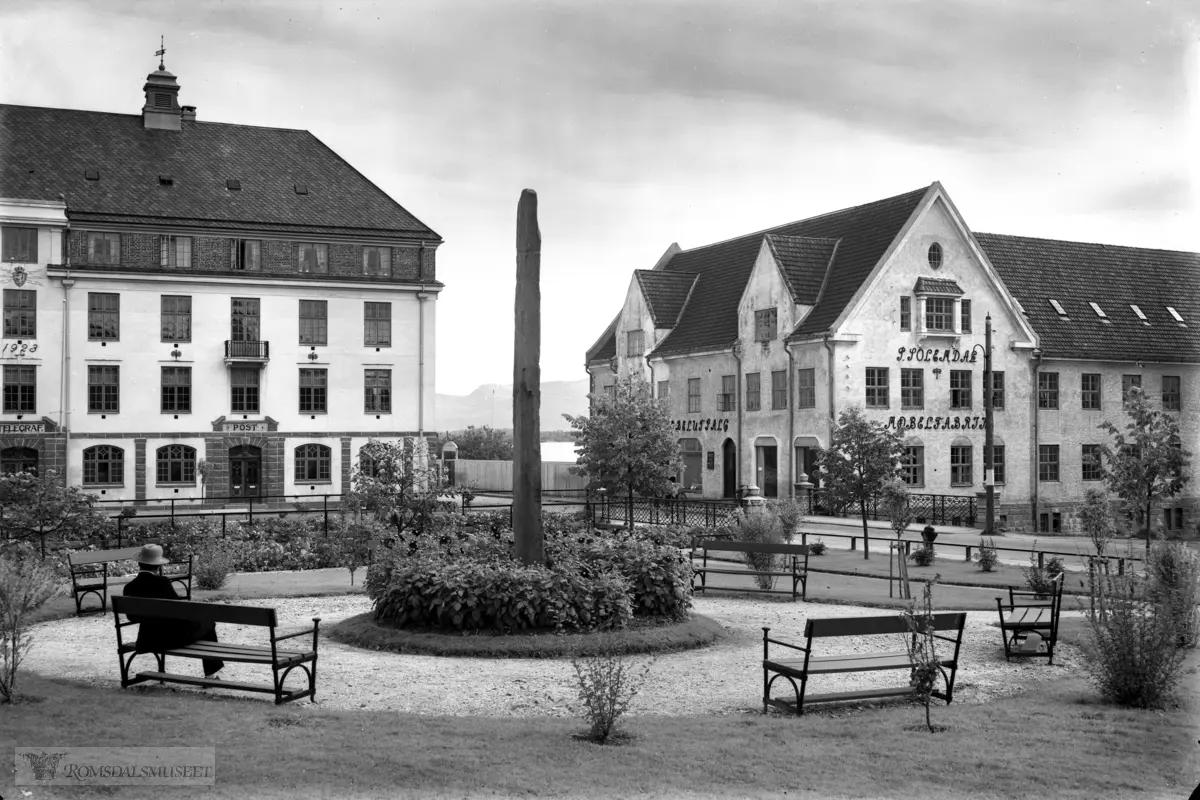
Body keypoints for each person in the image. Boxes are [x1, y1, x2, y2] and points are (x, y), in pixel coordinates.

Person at [123, 544, 224, 678]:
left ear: (139, 564)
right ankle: (210, 674)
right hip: (168, 639)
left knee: (204, 624)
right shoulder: (162, 583)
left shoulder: (129, 587)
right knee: (208, 623)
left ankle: (211, 673)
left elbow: (131, 617)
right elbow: (178, 610)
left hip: (146, 639)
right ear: (158, 566)